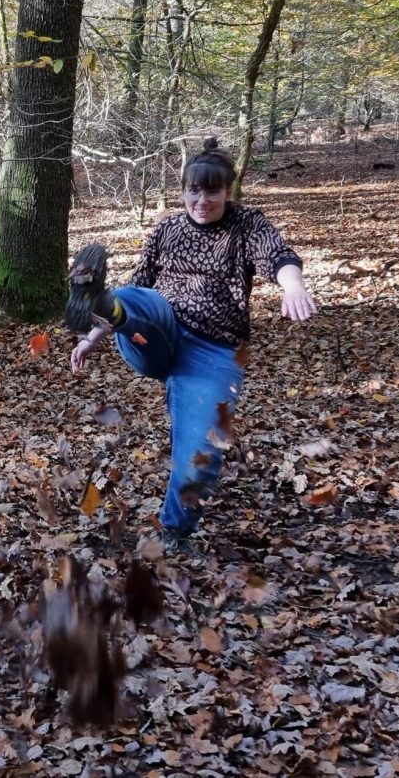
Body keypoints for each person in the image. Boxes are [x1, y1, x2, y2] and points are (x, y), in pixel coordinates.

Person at [66, 137, 316, 553]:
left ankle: (176, 531)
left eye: (212, 191)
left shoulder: (246, 225)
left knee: (204, 449)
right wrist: (92, 339)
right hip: (156, 332)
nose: (202, 200)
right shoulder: (168, 227)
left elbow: (279, 256)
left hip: (214, 351)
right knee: (136, 300)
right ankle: (103, 307)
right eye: (193, 190)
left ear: (227, 190)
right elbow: (140, 284)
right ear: (183, 190)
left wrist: (295, 287)